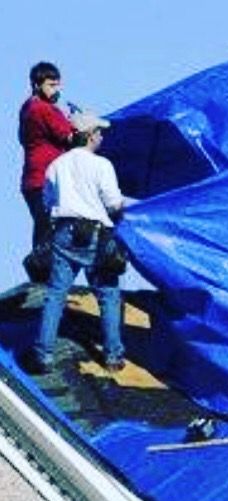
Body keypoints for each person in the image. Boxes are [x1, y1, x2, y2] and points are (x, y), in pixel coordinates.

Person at [20, 111, 130, 375]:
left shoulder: (57, 165)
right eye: (100, 132)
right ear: (90, 135)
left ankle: (43, 355)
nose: (102, 136)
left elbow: (47, 202)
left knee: (56, 294)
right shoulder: (101, 165)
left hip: (64, 233)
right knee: (108, 294)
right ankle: (113, 355)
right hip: (95, 234)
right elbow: (113, 203)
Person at [18, 62, 75, 257]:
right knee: (50, 232)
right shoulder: (44, 109)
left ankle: (41, 275)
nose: (56, 90)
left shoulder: (27, 108)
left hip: (32, 179)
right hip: (46, 178)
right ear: (36, 84)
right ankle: (43, 278)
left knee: (43, 230)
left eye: (57, 85)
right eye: (51, 85)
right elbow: (69, 138)